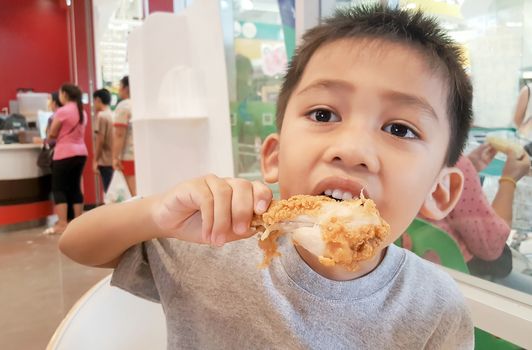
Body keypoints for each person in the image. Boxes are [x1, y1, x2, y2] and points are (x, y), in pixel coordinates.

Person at [59, 4, 474, 348]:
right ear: (273, 155)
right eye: (324, 114)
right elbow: (76, 245)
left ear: (440, 191)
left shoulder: (436, 309)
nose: (351, 149)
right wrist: (154, 213)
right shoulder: (215, 243)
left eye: (400, 129)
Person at [424, 143, 532, 293]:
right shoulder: (454, 162)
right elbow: (493, 246)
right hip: (464, 277)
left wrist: (467, 169)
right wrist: (509, 180)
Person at [45, 84, 88, 235]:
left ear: (64, 94)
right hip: (81, 153)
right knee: (75, 187)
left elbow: (52, 133)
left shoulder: (62, 111)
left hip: (64, 153)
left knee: (59, 188)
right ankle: (78, 221)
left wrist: (51, 134)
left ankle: (62, 223)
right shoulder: (82, 111)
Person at [112, 75, 136, 195]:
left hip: (128, 156)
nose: (119, 89)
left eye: (120, 86)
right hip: (141, 155)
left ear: (126, 88)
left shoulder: (123, 106)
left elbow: (119, 134)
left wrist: (115, 157)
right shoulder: (138, 103)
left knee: (134, 194)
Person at [92, 88, 114, 193]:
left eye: (94, 101)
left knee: (109, 192)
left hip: (105, 161)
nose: (94, 104)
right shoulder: (113, 114)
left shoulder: (101, 116)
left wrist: (95, 160)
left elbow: (100, 140)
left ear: (98, 100)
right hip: (114, 160)